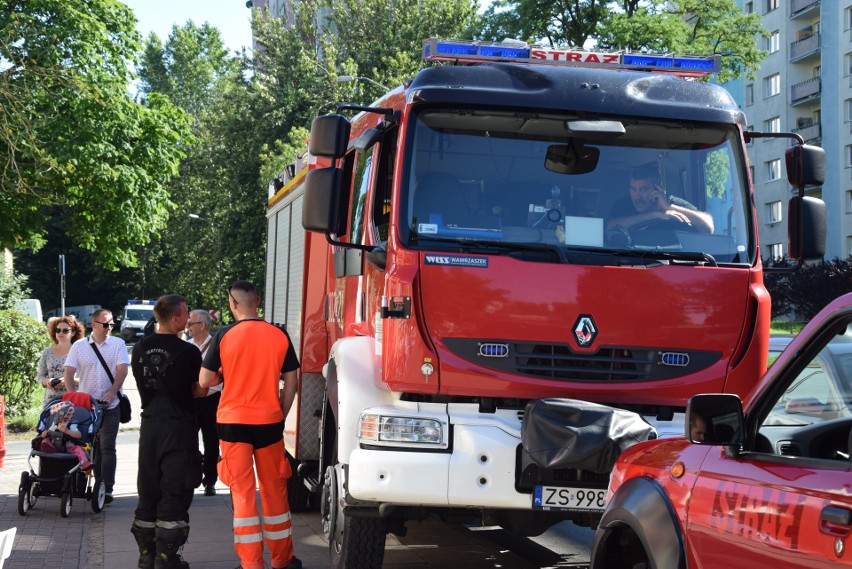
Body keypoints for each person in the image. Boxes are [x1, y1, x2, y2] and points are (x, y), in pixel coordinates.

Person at [199, 281, 302, 569]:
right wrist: (281, 412)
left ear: (233, 304)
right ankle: (283, 561)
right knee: (274, 490)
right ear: (257, 300)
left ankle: (251, 564)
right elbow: (291, 380)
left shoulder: (224, 336)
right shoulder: (279, 335)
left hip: (232, 424)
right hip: (269, 422)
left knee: (243, 493)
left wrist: (225, 376)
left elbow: (205, 381)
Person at [130, 294, 204, 569]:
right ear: (175, 319)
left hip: (149, 427)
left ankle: (146, 556)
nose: (188, 319)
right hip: (179, 427)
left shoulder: (139, 348)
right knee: (175, 490)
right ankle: (166, 559)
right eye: (185, 314)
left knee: (148, 490)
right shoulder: (189, 352)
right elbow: (199, 390)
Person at [63, 308, 130, 505]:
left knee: (107, 446)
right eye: (105, 324)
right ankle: (84, 485)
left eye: (111, 324)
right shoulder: (79, 346)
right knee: (88, 447)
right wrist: (72, 397)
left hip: (111, 405)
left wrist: (112, 391)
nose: (109, 327)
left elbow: (122, 370)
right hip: (87, 407)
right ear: (94, 324)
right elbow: (68, 372)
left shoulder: (118, 343)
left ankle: (107, 488)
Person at [606, 162, 714, 234]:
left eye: (643, 189)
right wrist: (657, 215)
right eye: (633, 189)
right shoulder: (623, 205)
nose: (637, 196)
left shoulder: (672, 203)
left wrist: (668, 207)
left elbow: (708, 227)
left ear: (657, 189)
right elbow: (609, 227)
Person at [186, 309, 220, 496]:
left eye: (191, 324)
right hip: (192, 399)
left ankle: (210, 481)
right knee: (188, 440)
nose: (188, 326)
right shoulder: (187, 346)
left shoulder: (216, 346)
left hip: (213, 399)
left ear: (203, 325)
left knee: (211, 442)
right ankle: (191, 478)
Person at [36, 315, 85, 406]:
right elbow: (39, 376)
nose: (60, 333)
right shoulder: (47, 352)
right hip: (51, 402)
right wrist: (48, 381)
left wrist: (69, 380)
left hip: (73, 401)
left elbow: (88, 379)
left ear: (73, 333)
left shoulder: (80, 352)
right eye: (57, 330)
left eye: (65, 330)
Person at [36, 399, 93, 470]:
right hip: (54, 445)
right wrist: (45, 432)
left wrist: (67, 431)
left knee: (78, 449)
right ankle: (47, 447)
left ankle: (84, 462)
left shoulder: (72, 424)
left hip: (68, 446)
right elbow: (50, 431)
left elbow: (79, 435)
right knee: (46, 440)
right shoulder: (55, 424)